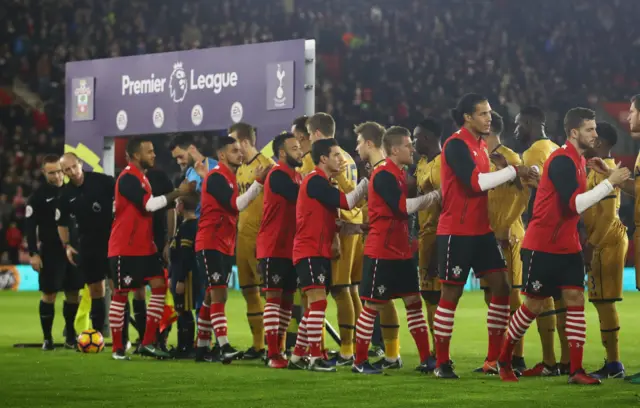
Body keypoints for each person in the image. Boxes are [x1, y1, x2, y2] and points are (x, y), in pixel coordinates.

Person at [498, 107, 630, 385]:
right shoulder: (562, 160)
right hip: (542, 245)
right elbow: (575, 205)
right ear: (574, 132)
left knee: (575, 302)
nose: (595, 134)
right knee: (532, 306)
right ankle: (504, 360)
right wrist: (610, 182)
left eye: (595, 129)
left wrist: (606, 176)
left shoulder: (578, 161)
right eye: (589, 129)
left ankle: (576, 370)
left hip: (568, 245)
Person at [434, 94, 533, 379]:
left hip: (481, 230)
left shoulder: (480, 145)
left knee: (502, 286)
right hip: (456, 231)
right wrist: (513, 170)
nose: (489, 117)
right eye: (483, 114)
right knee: (450, 293)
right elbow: (475, 184)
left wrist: (509, 171)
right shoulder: (455, 145)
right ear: (467, 117)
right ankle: (442, 363)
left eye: (489, 113)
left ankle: (493, 359)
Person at [353, 126, 440, 374]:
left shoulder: (399, 174)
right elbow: (402, 207)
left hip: (401, 251)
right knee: (372, 307)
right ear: (394, 149)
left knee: (413, 302)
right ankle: (359, 362)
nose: (412, 148)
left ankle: (426, 358)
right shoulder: (383, 175)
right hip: (382, 252)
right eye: (407, 145)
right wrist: (434, 197)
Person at [108, 137, 194, 360]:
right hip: (124, 248)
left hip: (145, 248)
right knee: (120, 295)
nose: (154, 155)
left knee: (159, 285)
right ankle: (118, 348)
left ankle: (147, 341)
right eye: (150, 151)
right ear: (136, 155)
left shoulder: (142, 178)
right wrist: (178, 192)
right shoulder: (127, 177)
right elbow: (149, 205)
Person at [289, 138, 368, 372]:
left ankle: (296, 357)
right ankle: (315, 358)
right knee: (319, 303)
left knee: (315, 306)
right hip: (309, 250)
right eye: (335, 155)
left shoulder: (323, 183)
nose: (341, 159)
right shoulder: (315, 181)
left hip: (317, 251)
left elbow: (334, 222)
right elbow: (346, 202)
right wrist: (368, 182)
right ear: (323, 158)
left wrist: (358, 228)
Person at [194, 136, 269, 363]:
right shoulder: (217, 176)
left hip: (224, 243)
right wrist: (258, 183)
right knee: (219, 293)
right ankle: (224, 345)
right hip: (211, 242)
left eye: (240, 149)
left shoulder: (227, 177)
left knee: (211, 295)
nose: (240, 153)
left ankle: (202, 347)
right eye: (234, 150)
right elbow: (236, 205)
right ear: (223, 155)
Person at [473, 112, 530, 374]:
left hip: (510, 235)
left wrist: (507, 225)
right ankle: (494, 356)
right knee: (491, 297)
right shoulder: (480, 157)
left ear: (489, 129)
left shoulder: (511, 157)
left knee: (513, 298)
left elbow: (523, 195)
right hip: (487, 235)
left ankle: (515, 358)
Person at [306, 113, 364, 366]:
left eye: (308, 135)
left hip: (340, 227)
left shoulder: (326, 160)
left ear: (316, 133)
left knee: (340, 290)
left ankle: (347, 350)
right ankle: (359, 345)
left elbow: (335, 195)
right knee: (350, 288)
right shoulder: (347, 156)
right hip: (355, 223)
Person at [516, 106, 569, 377]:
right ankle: (567, 361)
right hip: (563, 232)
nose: (516, 131)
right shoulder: (557, 148)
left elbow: (529, 194)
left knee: (538, 298)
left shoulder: (532, 152)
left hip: (541, 233)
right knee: (562, 299)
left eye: (518, 124)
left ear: (528, 122)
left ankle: (548, 361)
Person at [581, 122, 628, 379]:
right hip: (606, 239)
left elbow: (608, 215)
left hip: (606, 241)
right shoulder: (600, 168)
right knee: (602, 302)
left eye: (593, 135)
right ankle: (612, 363)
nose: (590, 139)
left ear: (600, 143)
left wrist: (592, 245)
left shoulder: (605, 170)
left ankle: (614, 365)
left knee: (604, 302)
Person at [354, 121, 403, 369]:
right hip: (396, 245)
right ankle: (392, 355)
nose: (357, 147)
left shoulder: (382, 172)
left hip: (383, 245)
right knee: (396, 302)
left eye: (359, 142)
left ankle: (359, 359)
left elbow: (401, 208)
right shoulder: (384, 170)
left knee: (372, 303)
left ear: (370, 143)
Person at [25, 155, 83, 350]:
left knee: (73, 293)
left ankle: (70, 334)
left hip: (73, 250)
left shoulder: (73, 191)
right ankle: (47, 338)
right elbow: (30, 227)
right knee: (49, 294)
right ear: (44, 173)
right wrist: (33, 252)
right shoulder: (38, 197)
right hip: (50, 252)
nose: (57, 176)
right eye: (52, 172)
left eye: (59, 171)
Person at [256, 132, 303, 368]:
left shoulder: (297, 176)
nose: (300, 151)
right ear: (282, 153)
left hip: (290, 247)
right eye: (294, 148)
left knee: (286, 301)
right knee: (274, 299)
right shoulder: (277, 175)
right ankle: (272, 353)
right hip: (273, 246)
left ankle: (280, 349)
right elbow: (300, 197)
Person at [229, 122, 276, 359]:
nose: (232, 148)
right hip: (243, 237)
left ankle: (276, 346)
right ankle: (258, 346)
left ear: (245, 142)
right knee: (249, 292)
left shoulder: (267, 166)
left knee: (270, 295)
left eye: (234, 142)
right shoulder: (238, 169)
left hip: (261, 239)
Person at [57, 153, 115, 336]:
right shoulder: (66, 194)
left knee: (118, 290)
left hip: (113, 240)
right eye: (67, 169)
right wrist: (67, 245)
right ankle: (97, 334)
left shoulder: (102, 181)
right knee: (96, 290)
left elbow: (123, 195)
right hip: (89, 245)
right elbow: (62, 223)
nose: (72, 172)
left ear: (80, 164)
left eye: (74, 166)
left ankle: (123, 336)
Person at [413, 117, 444, 372]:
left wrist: (440, 246)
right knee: (428, 295)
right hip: (423, 236)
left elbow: (447, 204)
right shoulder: (422, 163)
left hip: (437, 236)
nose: (413, 142)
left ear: (427, 137)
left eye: (416, 137)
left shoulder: (442, 164)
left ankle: (440, 354)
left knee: (436, 295)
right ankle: (436, 352)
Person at [169, 192, 200, 357]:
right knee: (180, 310)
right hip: (178, 275)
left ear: (181, 205)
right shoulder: (184, 224)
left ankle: (186, 348)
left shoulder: (190, 227)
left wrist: (180, 279)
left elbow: (186, 256)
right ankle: (183, 346)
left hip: (186, 277)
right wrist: (170, 276)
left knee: (185, 310)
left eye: (177, 203)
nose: (175, 206)